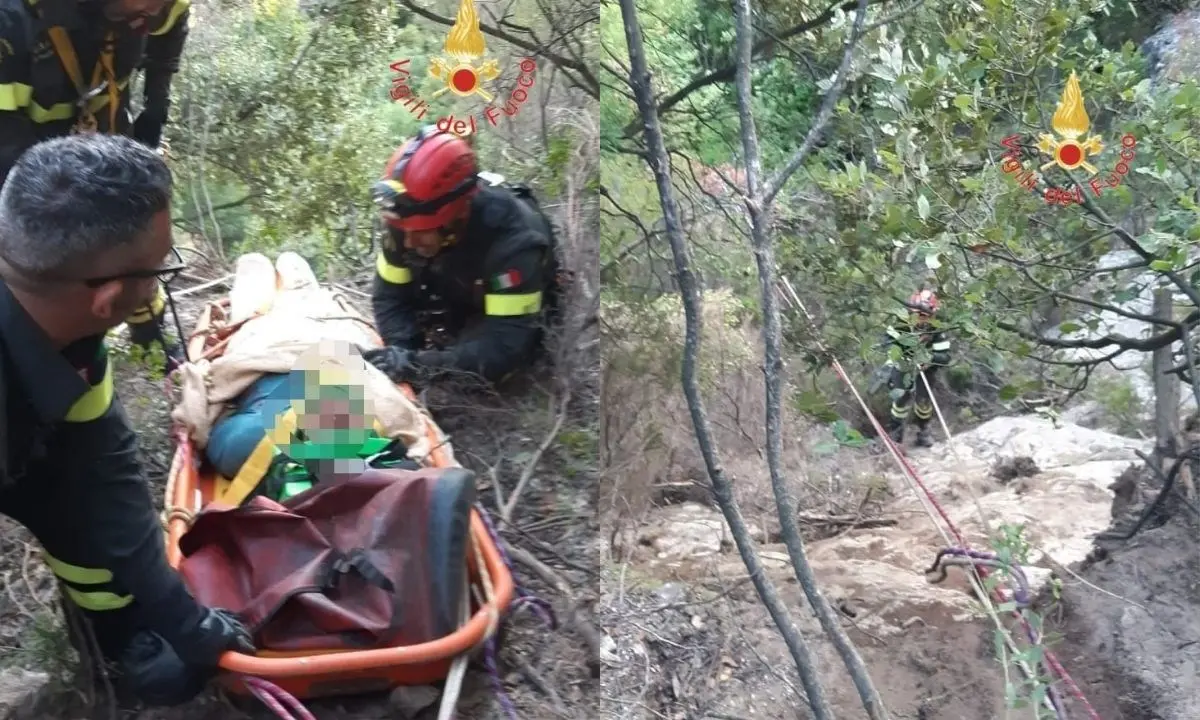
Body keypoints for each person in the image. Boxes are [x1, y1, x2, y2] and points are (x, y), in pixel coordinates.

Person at [0, 134, 253, 706]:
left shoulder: (74, 338)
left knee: (73, 507)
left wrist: (180, 619)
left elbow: (105, 474)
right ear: (110, 296)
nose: (159, 284)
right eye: (159, 271)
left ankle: (113, 640)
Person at [0, 0, 193, 371]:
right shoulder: (14, 21)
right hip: (24, 143)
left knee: (135, 235)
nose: (149, 16)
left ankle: (151, 339)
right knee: (54, 251)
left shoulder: (157, 7)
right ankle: (49, 345)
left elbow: (171, 28)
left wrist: (156, 104)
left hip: (101, 120)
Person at [365, 126, 560, 385]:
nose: (409, 242)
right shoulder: (407, 219)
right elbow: (388, 295)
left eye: (421, 233)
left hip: (500, 312)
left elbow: (503, 348)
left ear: (456, 215)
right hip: (454, 284)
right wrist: (400, 350)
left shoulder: (515, 243)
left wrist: (419, 366)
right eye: (405, 231)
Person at [884, 288, 951, 448]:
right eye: (915, 314)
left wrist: (930, 359)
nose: (919, 319)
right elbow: (886, 342)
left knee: (923, 402)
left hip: (925, 370)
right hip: (903, 365)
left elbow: (945, 357)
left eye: (923, 315)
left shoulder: (937, 330)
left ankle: (923, 431)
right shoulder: (901, 323)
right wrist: (901, 350)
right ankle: (895, 434)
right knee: (901, 398)